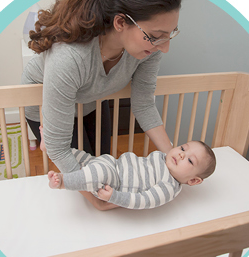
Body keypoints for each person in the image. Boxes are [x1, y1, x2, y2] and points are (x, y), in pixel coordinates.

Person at [22, 0, 184, 173]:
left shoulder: (150, 50)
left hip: (92, 98)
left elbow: (144, 104)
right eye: (155, 36)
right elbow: (59, 150)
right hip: (47, 103)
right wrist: (99, 200)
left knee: (102, 163)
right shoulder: (70, 56)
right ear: (120, 22)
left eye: (170, 34)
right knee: (83, 168)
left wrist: (174, 157)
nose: (165, 47)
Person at [47, 141, 217, 210]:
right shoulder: (163, 157)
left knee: (95, 173)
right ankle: (51, 147)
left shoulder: (168, 187)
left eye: (190, 161)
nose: (181, 154)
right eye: (182, 148)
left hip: (114, 182)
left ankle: (63, 181)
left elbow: (143, 200)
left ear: (194, 180)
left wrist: (115, 196)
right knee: (84, 158)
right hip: (112, 163)